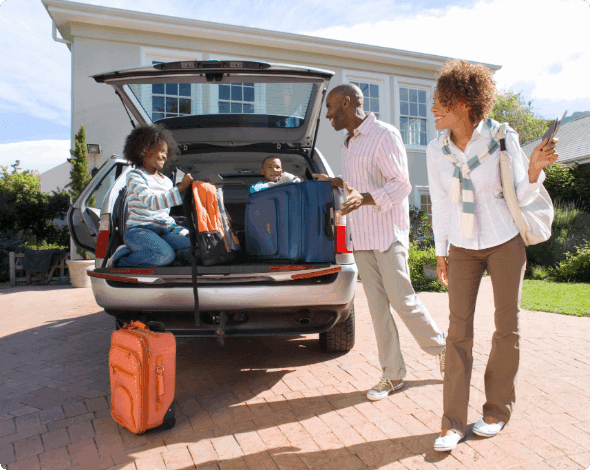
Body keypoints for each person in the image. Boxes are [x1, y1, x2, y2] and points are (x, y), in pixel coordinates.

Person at [428, 60, 559, 451]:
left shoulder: (502, 137)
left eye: (440, 103)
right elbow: (439, 204)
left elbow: (519, 192)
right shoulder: (438, 151)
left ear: (464, 103)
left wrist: (534, 169)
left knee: (506, 328)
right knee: (458, 332)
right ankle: (451, 422)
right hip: (463, 247)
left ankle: (496, 411)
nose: (433, 109)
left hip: (504, 241)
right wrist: (441, 251)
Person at [314, 83, 446, 401]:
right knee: (377, 308)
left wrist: (366, 199)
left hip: (387, 234)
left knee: (403, 301)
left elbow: (401, 185)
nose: (328, 113)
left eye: (331, 106)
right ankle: (392, 374)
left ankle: (445, 347)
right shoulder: (349, 144)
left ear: (348, 102)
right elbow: (359, 186)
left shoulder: (383, 134)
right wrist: (337, 184)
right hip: (361, 238)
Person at [108, 124, 194, 267]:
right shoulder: (135, 176)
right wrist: (181, 187)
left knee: (196, 249)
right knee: (164, 255)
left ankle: (161, 254)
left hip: (164, 232)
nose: (164, 156)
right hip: (139, 231)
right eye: (160, 151)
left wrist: (186, 233)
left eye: (166, 153)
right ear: (143, 150)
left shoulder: (166, 181)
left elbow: (164, 218)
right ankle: (122, 257)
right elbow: (151, 202)